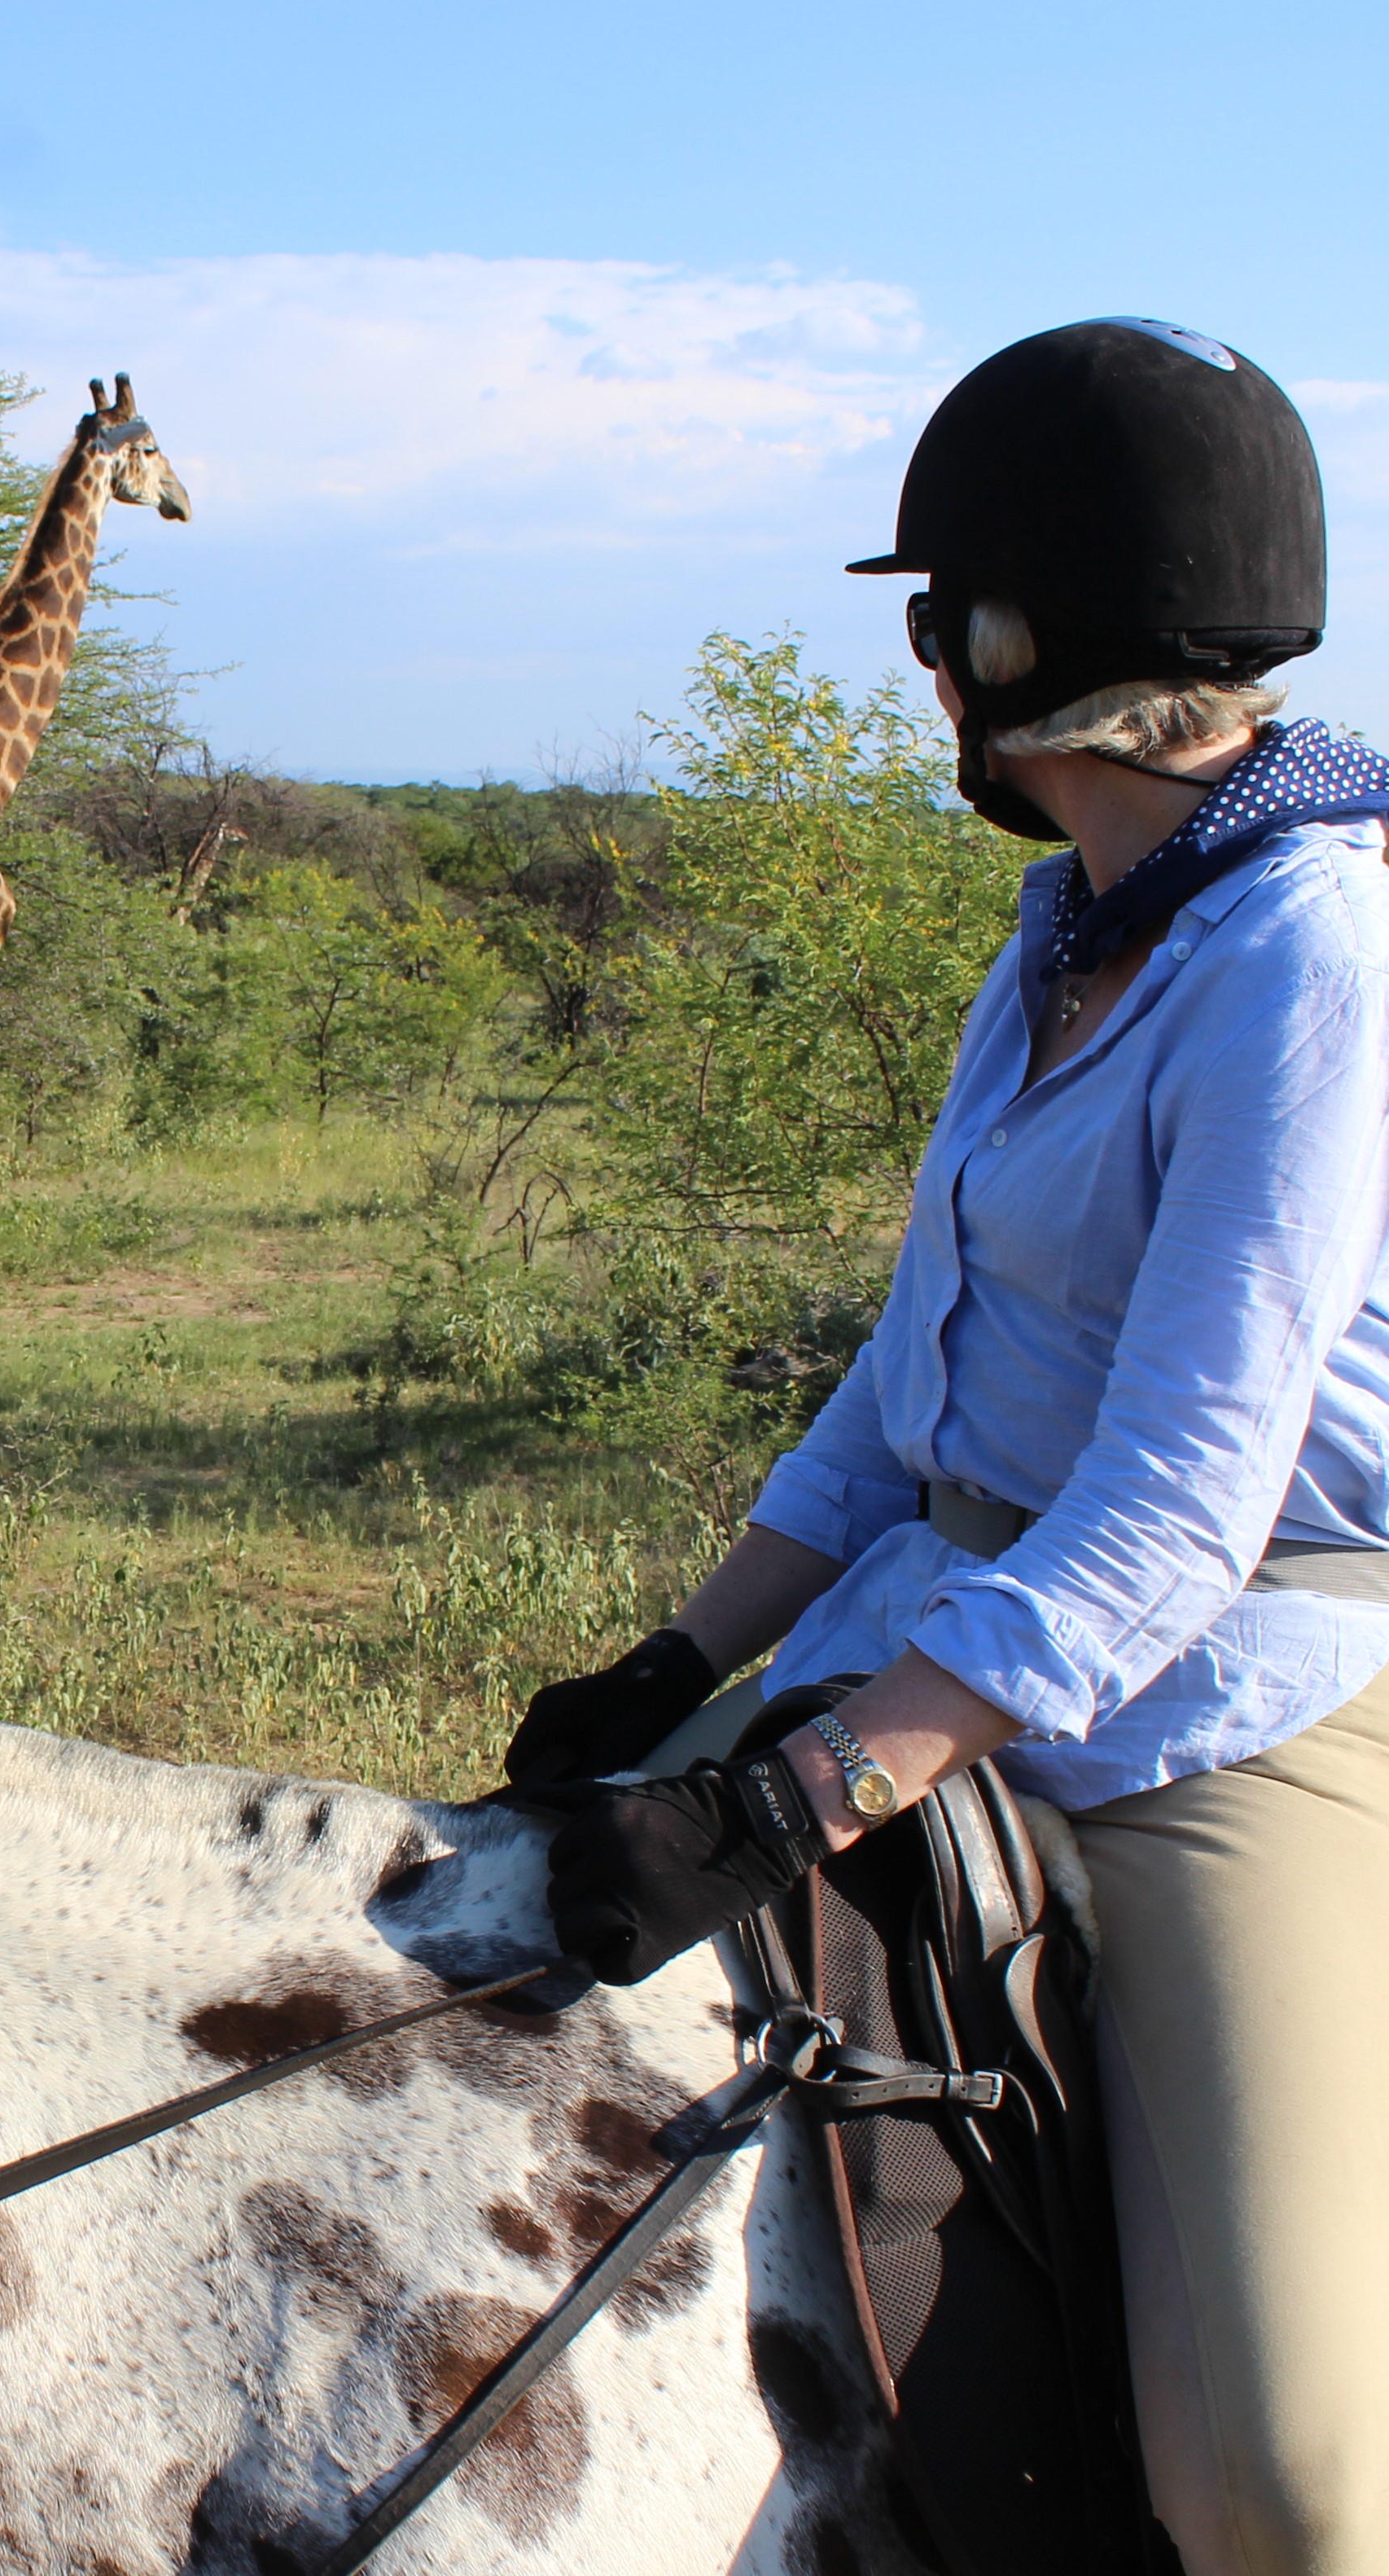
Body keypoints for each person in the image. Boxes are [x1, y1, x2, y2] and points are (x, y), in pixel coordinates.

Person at [504, 318, 1389, 2576]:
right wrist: (671, 1670)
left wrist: (815, 1782)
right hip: (958, 1624)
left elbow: (1184, 1496)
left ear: (1001, 642)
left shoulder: (1311, 946)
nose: (927, 678)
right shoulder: (1074, 931)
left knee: (1277, 2479)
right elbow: (911, 1382)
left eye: (933, 630)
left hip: (1240, 1688)